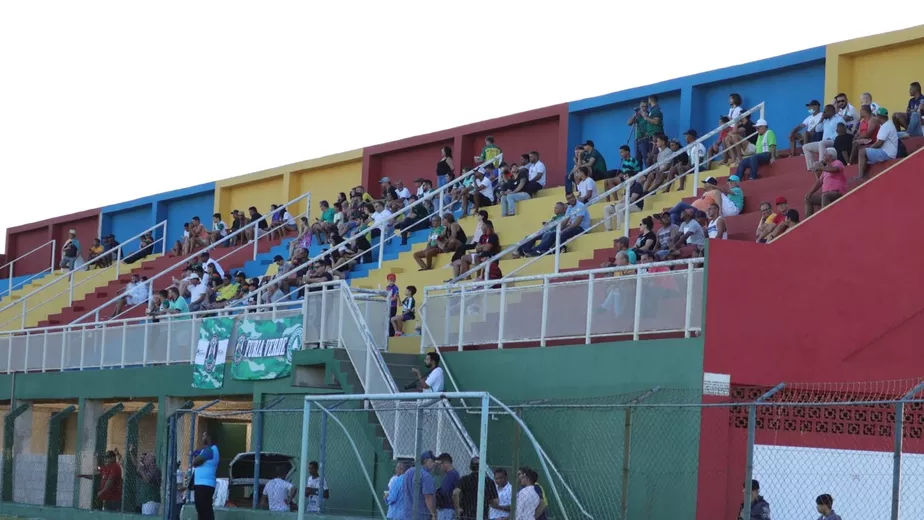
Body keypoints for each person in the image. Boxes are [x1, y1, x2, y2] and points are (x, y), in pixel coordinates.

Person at [191, 430, 219, 520]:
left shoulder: (210, 450)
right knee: (202, 509)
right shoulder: (207, 450)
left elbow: (195, 462)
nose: (202, 438)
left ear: (209, 438)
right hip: (202, 484)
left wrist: (196, 459)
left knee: (204, 509)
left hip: (204, 485)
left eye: (204, 436)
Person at [404, 451, 437, 520]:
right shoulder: (426, 476)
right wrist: (433, 514)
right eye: (432, 461)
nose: (434, 464)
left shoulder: (408, 472)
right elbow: (428, 497)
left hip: (407, 514)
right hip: (421, 515)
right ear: (425, 460)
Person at [435, 454, 460, 520]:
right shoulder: (447, 474)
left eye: (440, 464)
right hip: (444, 509)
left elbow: (453, 493)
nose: (439, 466)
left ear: (446, 463)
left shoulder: (453, 474)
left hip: (448, 510)